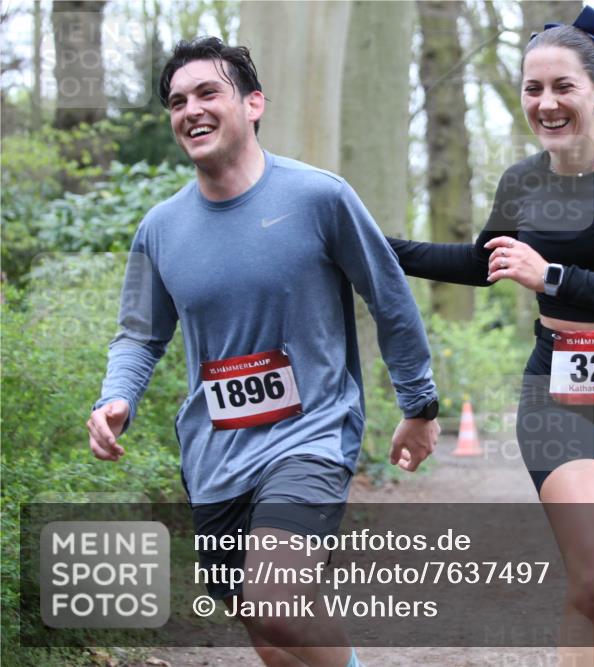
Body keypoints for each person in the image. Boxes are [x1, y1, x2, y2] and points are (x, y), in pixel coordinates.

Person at [86, 37, 441, 667]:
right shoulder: (160, 229)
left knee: (276, 601)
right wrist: (117, 397)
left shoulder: (319, 197)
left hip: (310, 436)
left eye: (207, 93)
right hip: (216, 455)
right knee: (271, 636)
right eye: (177, 102)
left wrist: (419, 404)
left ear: (253, 104)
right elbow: (139, 333)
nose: (190, 110)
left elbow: (389, 298)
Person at [387, 8, 594, 667]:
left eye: (563, 86)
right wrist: (373, 246)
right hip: (561, 395)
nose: (547, 103)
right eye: (534, 88)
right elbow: (483, 263)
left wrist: (554, 275)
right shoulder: (524, 182)